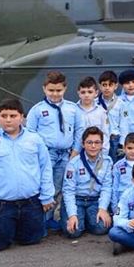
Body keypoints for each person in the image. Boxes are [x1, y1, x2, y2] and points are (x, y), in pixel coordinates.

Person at [0, 97, 54, 251]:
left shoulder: (34, 139)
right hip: (2, 204)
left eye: (13, 116)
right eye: (4, 116)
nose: (8, 120)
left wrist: (47, 196)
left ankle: (10, 227)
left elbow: (45, 168)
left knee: (32, 239)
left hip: (30, 202)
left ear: (22, 117)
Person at [25, 70, 84, 230]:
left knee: (59, 187)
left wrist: (76, 151)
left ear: (65, 89)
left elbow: (80, 130)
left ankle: (49, 218)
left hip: (66, 154)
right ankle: (39, 221)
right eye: (51, 90)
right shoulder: (37, 110)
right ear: (44, 89)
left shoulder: (73, 109)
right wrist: (37, 154)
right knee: (44, 187)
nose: (55, 94)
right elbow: (29, 134)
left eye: (58, 90)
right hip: (46, 154)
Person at [62, 127, 113, 238]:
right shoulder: (73, 163)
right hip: (77, 199)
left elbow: (107, 187)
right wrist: (72, 215)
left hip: (95, 200)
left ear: (102, 144)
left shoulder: (107, 162)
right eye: (89, 142)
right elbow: (68, 191)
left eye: (97, 142)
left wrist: (103, 209)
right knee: (73, 232)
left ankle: (87, 220)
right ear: (83, 143)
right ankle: (80, 218)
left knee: (102, 227)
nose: (93, 146)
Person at [76, 77, 110, 155]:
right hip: (77, 152)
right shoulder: (73, 110)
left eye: (90, 92)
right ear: (78, 93)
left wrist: (104, 154)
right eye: (83, 92)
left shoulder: (101, 112)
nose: (86, 95)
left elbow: (105, 133)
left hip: (96, 151)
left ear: (96, 93)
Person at [110, 132, 134, 213]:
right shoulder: (118, 166)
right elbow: (114, 188)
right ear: (124, 148)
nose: (132, 151)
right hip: (122, 203)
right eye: (129, 148)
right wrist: (115, 207)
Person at [97, 70, 122, 160]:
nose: (107, 88)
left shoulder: (121, 103)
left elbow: (124, 124)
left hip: (114, 139)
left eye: (110, 85)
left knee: (114, 163)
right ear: (100, 86)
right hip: (99, 138)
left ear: (116, 86)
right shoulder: (95, 103)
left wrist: (122, 143)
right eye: (104, 85)